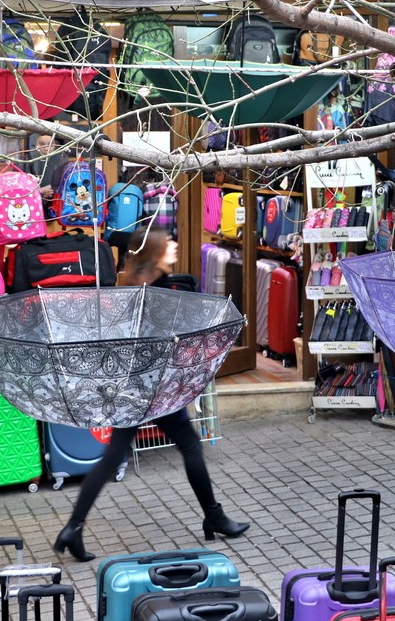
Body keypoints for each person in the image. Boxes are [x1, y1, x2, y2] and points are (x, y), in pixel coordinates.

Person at [52, 229, 250, 562]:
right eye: (167, 243)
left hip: (131, 389)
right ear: (155, 254)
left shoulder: (132, 285)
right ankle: (214, 517)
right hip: (155, 389)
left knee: (112, 458)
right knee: (190, 446)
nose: (174, 245)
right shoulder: (156, 291)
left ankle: (73, 527)